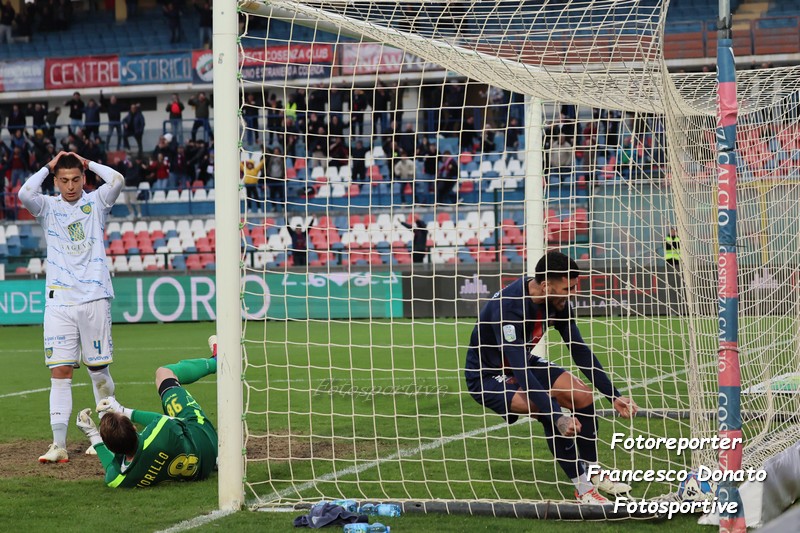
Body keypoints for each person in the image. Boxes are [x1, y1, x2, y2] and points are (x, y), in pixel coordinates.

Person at [464, 251, 639, 503]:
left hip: (520, 362)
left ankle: (594, 473)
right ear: (546, 285)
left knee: (582, 395)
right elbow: (521, 372)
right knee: (547, 408)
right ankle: (582, 489)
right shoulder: (510, 308)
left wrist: (613, 395)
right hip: (487, 376)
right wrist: (557, 416)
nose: (573, 293)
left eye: (574, 286)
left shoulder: (557, 301)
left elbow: (579, 349)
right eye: (568, 288)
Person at [18, 151, 125, 463]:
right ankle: (58, 445)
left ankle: (105, 437)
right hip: (59, 301)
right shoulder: (48, 207)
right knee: (60, 372)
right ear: (56, 180)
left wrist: (88, 162)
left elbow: (117, 179)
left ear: (84, 179)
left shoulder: (96, 203)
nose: (70, 185)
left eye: (76, 179)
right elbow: (25, 192)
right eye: (63, 180)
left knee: (98, 371)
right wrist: (47, 165)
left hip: (93, 297)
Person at [75, 336, 219, 487]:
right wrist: (122, 410)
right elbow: (174, 422)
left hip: (201, 469)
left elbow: (110, 469)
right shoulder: (161, 433)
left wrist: (92, 433)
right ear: (134, 427)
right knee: (164, 374)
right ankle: (216, 361)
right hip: (205, 439)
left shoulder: (118, 479)